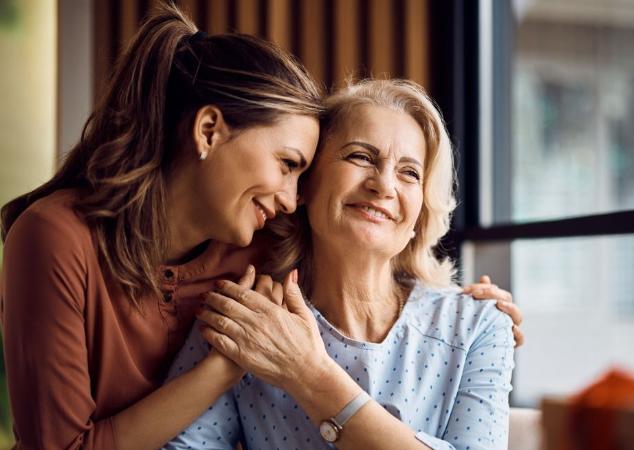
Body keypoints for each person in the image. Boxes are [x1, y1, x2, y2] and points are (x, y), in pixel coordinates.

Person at [0, 5, 521, 450]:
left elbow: (373, 253)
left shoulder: (258, 246)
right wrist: (227, 367)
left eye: (410, 172)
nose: (291, 199)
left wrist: (476, 310)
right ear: (208, 131)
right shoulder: (248, 286)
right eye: (290, 165)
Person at [164, 79, 516, 450]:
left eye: (409, 173)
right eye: (360, 157)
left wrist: (310, 374)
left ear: (420, 214)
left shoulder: (479, 326)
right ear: (305, 185)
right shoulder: (247, 316)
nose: (384, 185)